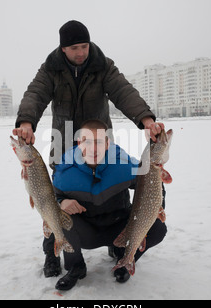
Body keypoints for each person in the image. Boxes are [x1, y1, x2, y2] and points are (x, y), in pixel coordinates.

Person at [12, 20, 165, 278]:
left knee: (113, 193)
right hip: (64, 142)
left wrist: (146, 120)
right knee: (53, 201)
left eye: (84, 46)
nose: (81, 52)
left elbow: (123, 92)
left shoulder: (102, 65)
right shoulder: (51, 69)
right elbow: (35, 94)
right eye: (74, 48)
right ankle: (53, 251)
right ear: (63, 49)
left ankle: (117, 242)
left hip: (98, 138)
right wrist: (26, 122)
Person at [52, 120, 167, 290]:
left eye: (98, 141)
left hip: (120, 227)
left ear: (107, 143)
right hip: (88, 232)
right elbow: (49, 201)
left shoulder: (124, 164)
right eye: (87, 141)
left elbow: (153, 183)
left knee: (157, 227)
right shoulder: (65, 172)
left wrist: (154, 211)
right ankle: (76, 266)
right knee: (60, 220)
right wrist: (61, 202)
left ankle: (126, 257)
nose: (93, 148)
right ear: (79, 143)